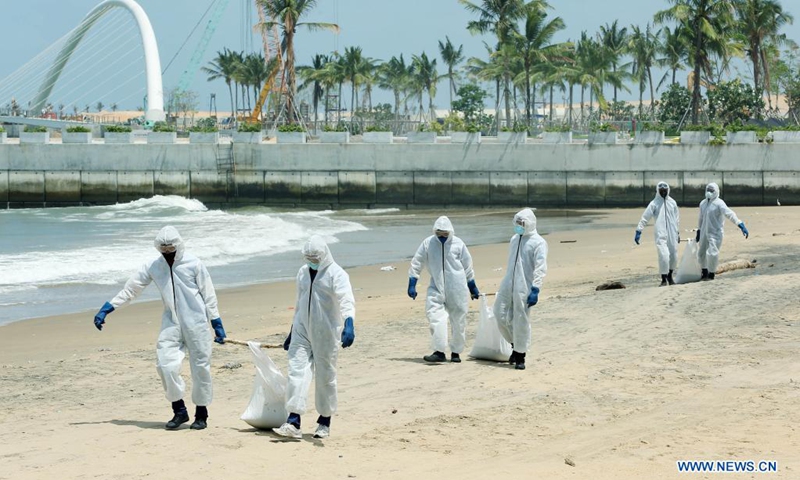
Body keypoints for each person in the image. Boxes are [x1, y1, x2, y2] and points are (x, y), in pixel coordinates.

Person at [92, 226, 226, 431]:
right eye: (163, 249)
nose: (167, 252)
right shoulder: (154, 266)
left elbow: (209, 295)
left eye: (171, 248)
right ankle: (179, 410)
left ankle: (201, 414)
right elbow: (131, 289)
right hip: (171, 322)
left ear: (178, 245)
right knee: (165, 365)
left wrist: (216, 322)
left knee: (200, 368)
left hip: (197, 323)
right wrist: (108, 308)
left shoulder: (194, 263)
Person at [273, 236, 356, 440]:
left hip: (325, 332)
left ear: (324, 255)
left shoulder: (336, 274)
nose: (312, 261)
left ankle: (324, 421)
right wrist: (292, 330)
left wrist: (349, 322)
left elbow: (346, 299)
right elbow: (300, 302)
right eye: (308, 258)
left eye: (315, 258)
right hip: (302, 329)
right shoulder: (302, 272)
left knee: (325, 376)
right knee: (296, 371)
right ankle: (293, 421)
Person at [407, 216, 481, 363]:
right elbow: (417, 262)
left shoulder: (458, 244)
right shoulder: (428, 243)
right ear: (435, 231)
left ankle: (456, 352)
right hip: (436, 285)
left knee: (458, 320)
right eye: (439, 233)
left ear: (450, 232)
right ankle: (439, 351)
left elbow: (467, 266)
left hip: (457, 287)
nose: (442, 237)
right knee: (435, 316)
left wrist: (472, 287)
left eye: (445, 234)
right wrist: (412, 283)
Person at [494, 208, 548, 371]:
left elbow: (540, 267)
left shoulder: (538, 242)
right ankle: (514, 344)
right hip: (508, 282)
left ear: (530, 223)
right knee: (499, 314)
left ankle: (520, 355)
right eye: (517, 223)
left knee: (520, 319)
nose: (518, 226)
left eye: (521, 223)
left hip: (525, 286)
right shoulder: (514, 239)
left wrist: (536, 289)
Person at [695, 182, 749, 280]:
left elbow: (729, 214)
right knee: (701, 253)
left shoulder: (719, 203)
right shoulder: (703, 203)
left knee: (712, 253)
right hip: (703, 233)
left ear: (716, 191)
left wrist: (740, 224)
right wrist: (699, 230)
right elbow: (701, 218)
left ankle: (711, 273)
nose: (709, 192)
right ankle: (704, 271)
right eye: (708, 190)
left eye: (711, 191)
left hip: (715, 233)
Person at [635, 181, 681, 286]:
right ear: (658, 191)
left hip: (672, 233)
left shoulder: (672, 203)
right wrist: (639, 230)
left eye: (665, 190)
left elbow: (676, 219)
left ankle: (670, 276)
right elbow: (645, 217)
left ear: (668, 190)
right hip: (660, 234)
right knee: (664, 255)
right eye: (661, 190)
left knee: (673, 256)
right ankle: (663, 279)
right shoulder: (654, 203)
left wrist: (677, 232)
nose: (663, 192)